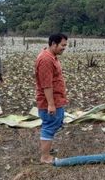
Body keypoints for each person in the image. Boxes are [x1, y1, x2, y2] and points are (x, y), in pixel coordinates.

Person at [34, 33, 68, 164]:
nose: (64, 48)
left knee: (55, 123)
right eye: (62, 45)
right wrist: (51, 104)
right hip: (49, 100)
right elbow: (46, 85)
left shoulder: (52, 57)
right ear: (54, 44)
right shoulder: (46, 60)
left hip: (56, 99)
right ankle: (45, 157)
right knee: (49, 125)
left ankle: (47, 149)